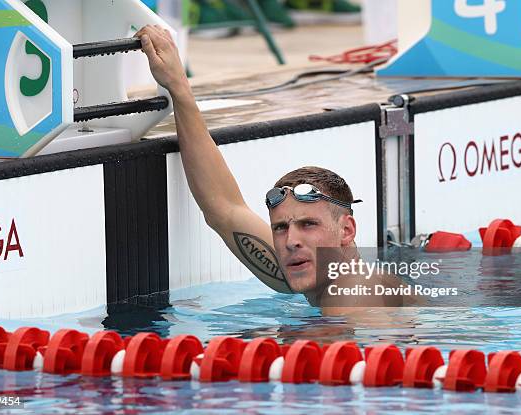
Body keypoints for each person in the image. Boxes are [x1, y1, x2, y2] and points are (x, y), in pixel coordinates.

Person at [135, 25, 402, 309]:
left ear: (346, 230)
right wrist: (178, 87)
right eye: (280, 228)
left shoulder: (355, 296)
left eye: (308, 224)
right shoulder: (312, 272)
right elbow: (223, 210)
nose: (291, 241)